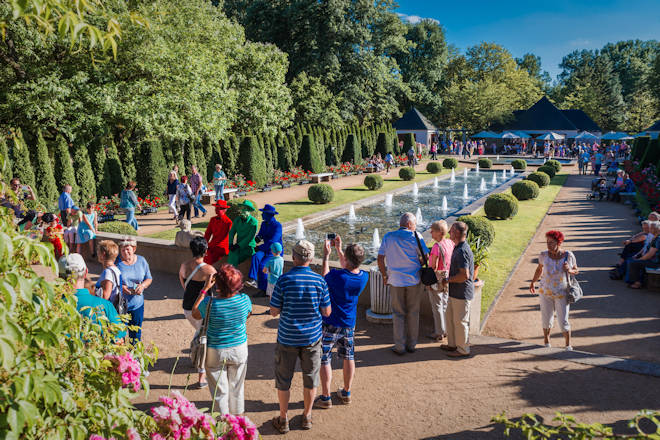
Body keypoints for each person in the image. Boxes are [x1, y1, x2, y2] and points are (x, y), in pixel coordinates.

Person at [269, 240, 331, 433]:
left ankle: (283, 418)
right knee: (310, 379)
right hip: (311, 339)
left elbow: (273, 311)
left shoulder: (284, 280)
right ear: (311, 259)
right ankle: (307, 416)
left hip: (287, 337)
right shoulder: (320, 281)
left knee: (284, 380)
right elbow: (327, 312)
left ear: (294, 257)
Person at [314, 236, 368, 409]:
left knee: (324, 358)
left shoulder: (338, 276)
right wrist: (339, 249)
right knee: (349, 356)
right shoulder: (363, 277)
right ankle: (346, 392)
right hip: (348, 323)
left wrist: (326, 256)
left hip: (330, 322)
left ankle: (325, 396)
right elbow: (349, 266)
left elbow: (324, 278)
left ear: (348, 258)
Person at [192, 264, 252, 415]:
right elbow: (247, 315)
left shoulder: (209, 303)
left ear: (218, 284)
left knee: (219, 391)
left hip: (215, 350)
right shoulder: (245, 300)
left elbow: (195, 313)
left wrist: (205, 289)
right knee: (237, 387)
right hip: (238, 348)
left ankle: (222, 422)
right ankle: (237, 419)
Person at [377, 212, 428, 355]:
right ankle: (412, 345)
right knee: (413, 312)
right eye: (415, 224)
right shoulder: (416, 236)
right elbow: (426, 256)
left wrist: (384, 275)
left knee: (398, 313)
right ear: (410, 225)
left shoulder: (388, 236)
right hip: (414, 280)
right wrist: (419, 263)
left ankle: (399, 346)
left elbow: (380, 258)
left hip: (395, 280)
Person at [59, 253, 126, 341]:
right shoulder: (105, 305)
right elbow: (120, 340)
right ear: (86, 272)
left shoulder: (53, 306)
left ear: (59, 276)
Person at [529, 230, 578, 350]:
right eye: (547, 242)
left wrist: (569, 270)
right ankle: (546, 340)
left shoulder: (568, 255)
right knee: (546, 317)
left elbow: (576, 270)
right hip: (545, 292)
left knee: (563, 319)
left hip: (562, 293)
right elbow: (539, 269)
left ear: (559, 242)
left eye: (551, 242)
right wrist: (533, 282)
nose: (548, 245)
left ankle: (568, 344)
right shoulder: (543, 255)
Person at [179, 236, 217, 388]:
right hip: (201, 309)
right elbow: (214, 290)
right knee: (203, 339)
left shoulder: (184, 265)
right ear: (206, 251)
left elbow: (183, 284)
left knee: (199, 333)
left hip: (187, 306)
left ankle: (194, 354)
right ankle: (201, 376)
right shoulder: (210, 270)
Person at [440, 221, 474, 357]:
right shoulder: (459, 247)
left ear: (458, 233)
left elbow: (464, 275)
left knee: (460, 322)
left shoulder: (462, 251)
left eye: (452, 231)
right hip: (456, 292)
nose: (449, 233)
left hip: (462, 293)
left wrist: (448, 280)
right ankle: (452, 344)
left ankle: (463, 349)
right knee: (451, 320)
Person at [117, 238, 153, 343]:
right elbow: (111, 281)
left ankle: (135, 358)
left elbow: (149, 278)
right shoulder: (117, 263)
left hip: (137, 304)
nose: (125, 252)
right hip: (121, 305)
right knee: (120, 335)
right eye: (122, 250)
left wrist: (142, 286)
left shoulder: (141, 261)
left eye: (127, 249)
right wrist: (121, 287)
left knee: (136, 336)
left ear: (134, 249)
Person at [427, 220, 454, 342]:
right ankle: (446, 329)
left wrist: (428, 283)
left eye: (432, 231)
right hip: (447, 277)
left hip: (437, 278)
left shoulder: (436, 247)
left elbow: (432, 266)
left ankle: (439, 332)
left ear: (439, 232)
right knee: (445, 303)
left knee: (436, 305)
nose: (431, 233)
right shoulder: (450, 243)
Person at [247, 204, 283, 293]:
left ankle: (264, 290)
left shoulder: (277, 226)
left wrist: (260, 247)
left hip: (274, 252)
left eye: (263, 213)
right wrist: (257, 238)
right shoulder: (264, 224)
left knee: (263, 265)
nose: (262, 215)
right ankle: (253, 279)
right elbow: (260, 235)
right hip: (264, 249)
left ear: (269, 215)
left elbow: (273, 241)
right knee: (255, 256)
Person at [626, 224, 660, 289]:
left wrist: (640, 259)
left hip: (656, 263)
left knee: (634, 263)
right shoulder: (655, 237)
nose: (649, 229)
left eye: (651, 228)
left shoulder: (657, 239)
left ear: (655, 230)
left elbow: (650, 254)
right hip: (655, 261)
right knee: (636, 261)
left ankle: (637, 283)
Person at [227, 200, 258, 267]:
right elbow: (232, 232)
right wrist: (230, 244)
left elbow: (250, 237)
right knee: (231, 254)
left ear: (249, 211)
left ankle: (231, 274)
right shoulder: (237, 220)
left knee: (235, 258)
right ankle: (230, 273)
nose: (243, 210)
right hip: (238, 246)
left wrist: (238, 245)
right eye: (242, 208)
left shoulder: (253, 222)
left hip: (248, 247)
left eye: (245, 209)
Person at [203, 200, 233, 265]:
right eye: (216, 208)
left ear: (224, 210)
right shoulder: (213, 219)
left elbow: (223, 237)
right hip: (212, 245)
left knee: (207, 258)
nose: (216, 209)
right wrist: (204, 243)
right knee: (202, 254)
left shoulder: (228, 222)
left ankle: (208, 273)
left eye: (218, 208)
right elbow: (207, 233)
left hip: (221, 247)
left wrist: (210, 245)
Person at [95, 240, 122, 309]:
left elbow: (105, 296)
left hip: (108, 309)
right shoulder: (116, 269)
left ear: (103, 254)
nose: (97, 253)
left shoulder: (108, 272)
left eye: (98, 251)